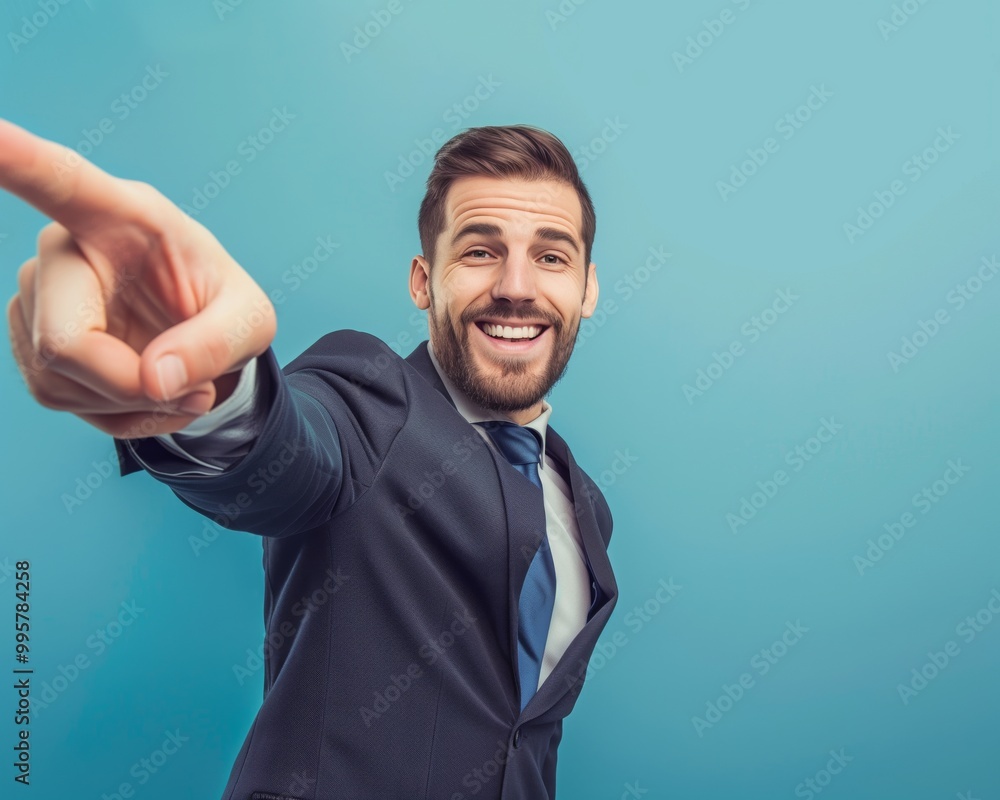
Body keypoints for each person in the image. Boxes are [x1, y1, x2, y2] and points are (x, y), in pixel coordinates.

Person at [3, 119, 619, 799]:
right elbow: (293, 456)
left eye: (552, 258)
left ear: (587, 290)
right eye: (479, 251)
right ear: (423, 281)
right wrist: (203, 389)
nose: (516, 286)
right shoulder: (372, 396)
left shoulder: (583, 503)